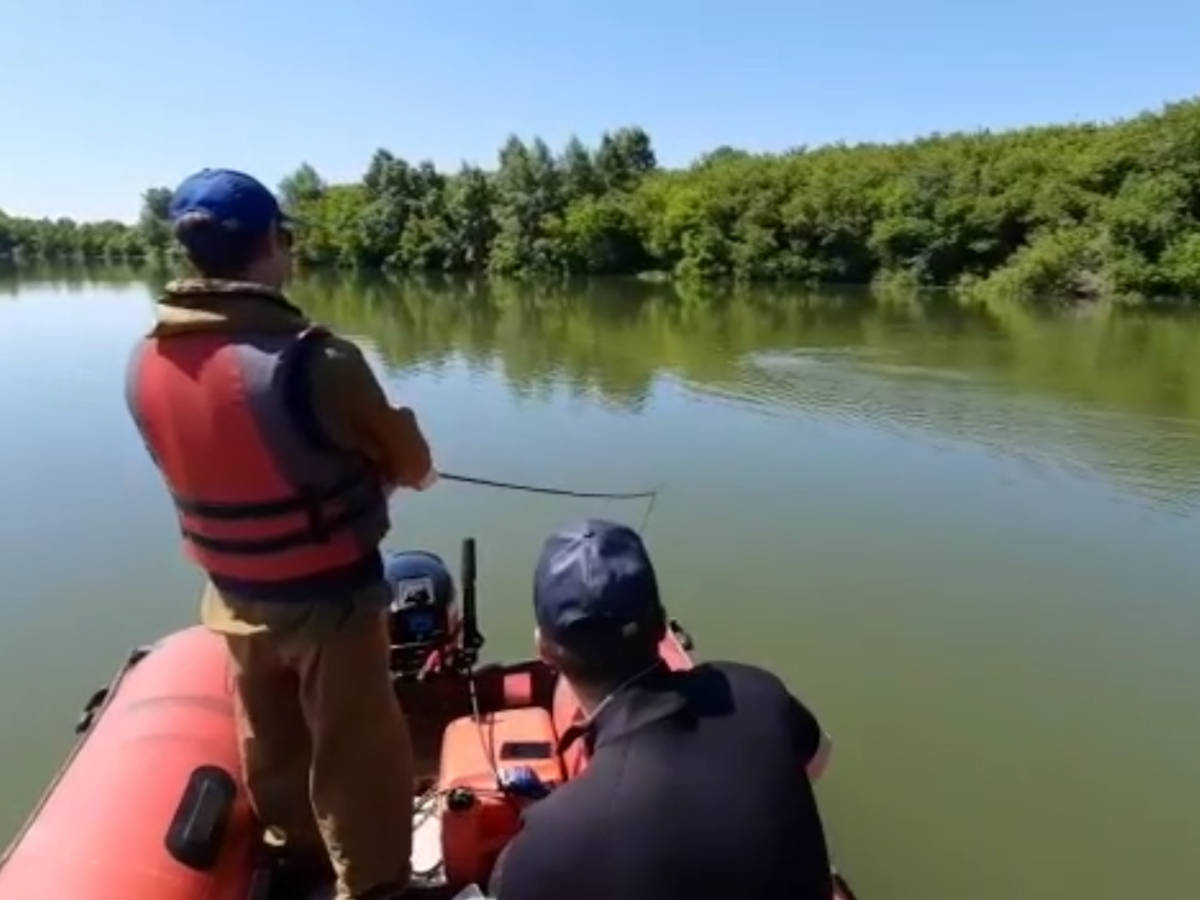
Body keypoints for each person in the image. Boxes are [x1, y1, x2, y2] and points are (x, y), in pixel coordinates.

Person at [125, 169, 434, 900]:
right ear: (272, 242)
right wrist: (391, 472)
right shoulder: (316, 361)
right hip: (332, 599)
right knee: (357, 750)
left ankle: (296, 857)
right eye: (286, 237)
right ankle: (375, 886)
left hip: (233, 593)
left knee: (269, 734)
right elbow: (412, 464)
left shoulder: (144, 363)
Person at [492, 520, 834, 900]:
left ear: (544, 649)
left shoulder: (546, 846)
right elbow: (818, 760)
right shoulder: (758, 692)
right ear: (661, 623)